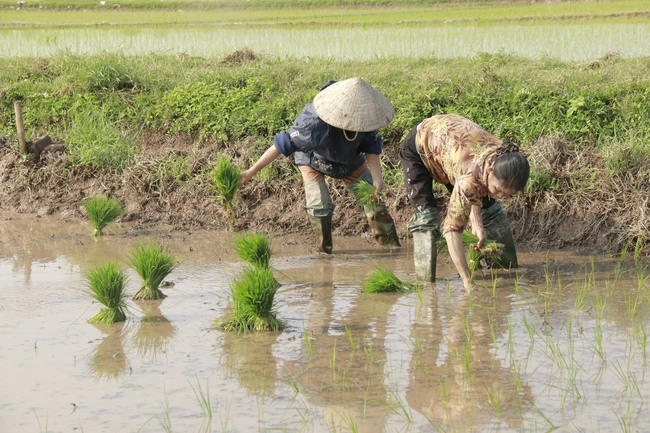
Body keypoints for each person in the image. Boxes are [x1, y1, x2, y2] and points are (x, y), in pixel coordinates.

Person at [239, 77, 400, 253]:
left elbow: (371, 147)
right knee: (320, 205)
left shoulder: (366, 119)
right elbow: (281, 146)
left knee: (374, 203)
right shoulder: (314, 122)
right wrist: (251, 171)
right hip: (312, 159)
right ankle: (324, 252)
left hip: (349, 160)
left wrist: (377, 179)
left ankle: (391, 249)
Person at [399, 113, 529, 289]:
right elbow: (451, 231)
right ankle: (425, 284)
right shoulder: (469, 180)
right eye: (498, 190)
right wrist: (468, 282)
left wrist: (478, 224)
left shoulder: (504, 157)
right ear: (491, 170)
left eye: (507, 195)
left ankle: (507, 271)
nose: (500, 196)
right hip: (420, 146)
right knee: (427, 220)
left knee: (491, 213)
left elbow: (477, 189)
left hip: (455, 149)